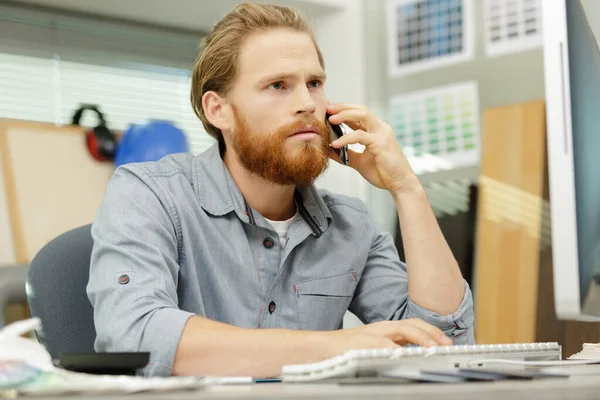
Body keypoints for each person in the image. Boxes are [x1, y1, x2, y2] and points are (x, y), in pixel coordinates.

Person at [87, 2, 474, 378]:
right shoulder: (149, 195)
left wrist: (407, 189)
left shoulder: (351, 225)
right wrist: (330, 349)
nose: (307, 103)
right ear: (218, 110)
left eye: (315, 83)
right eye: (278, 85)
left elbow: (444, 349)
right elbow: (134, 335)